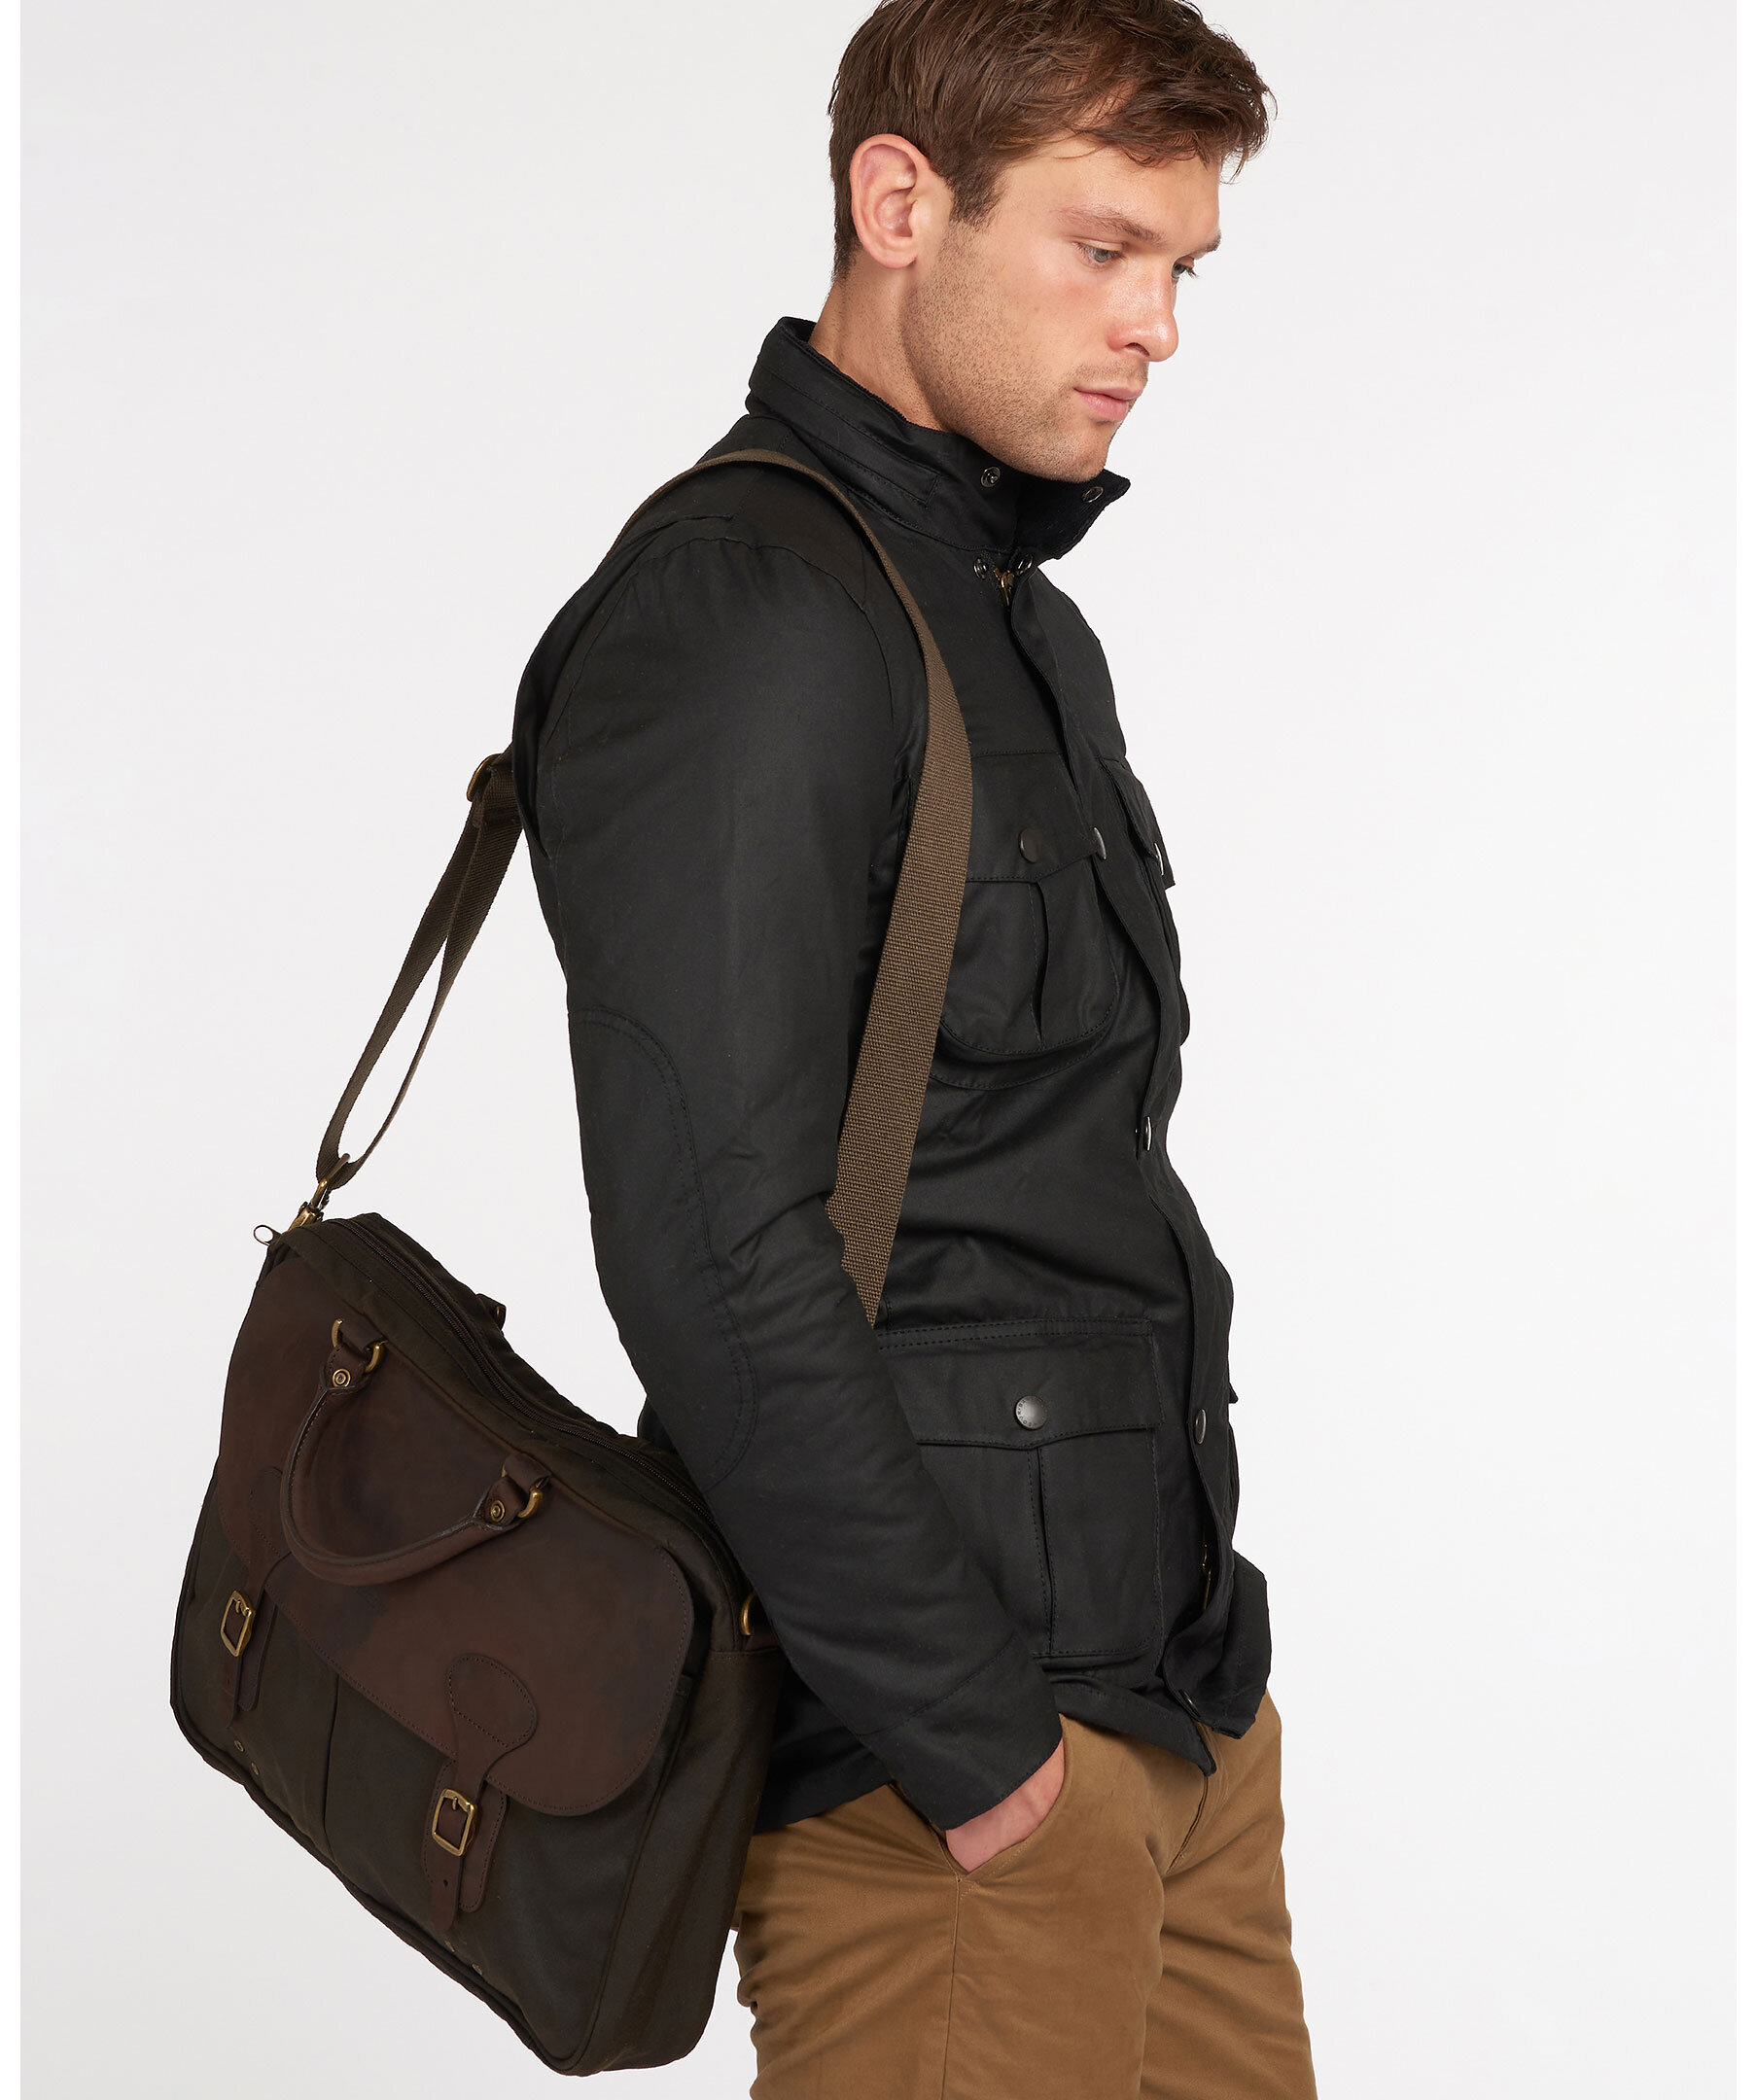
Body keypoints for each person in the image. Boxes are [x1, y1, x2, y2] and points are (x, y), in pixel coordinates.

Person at [511, 2, 1315, 2092]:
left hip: (1168, 1709)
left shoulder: (1008, 607)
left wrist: (1182, 1699)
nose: (1155, 327)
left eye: (1181, 268)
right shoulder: (750, 610)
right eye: (1101, 247)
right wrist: (977, 1749)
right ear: (898, 203)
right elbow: (711, 1239)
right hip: (953, 1781)